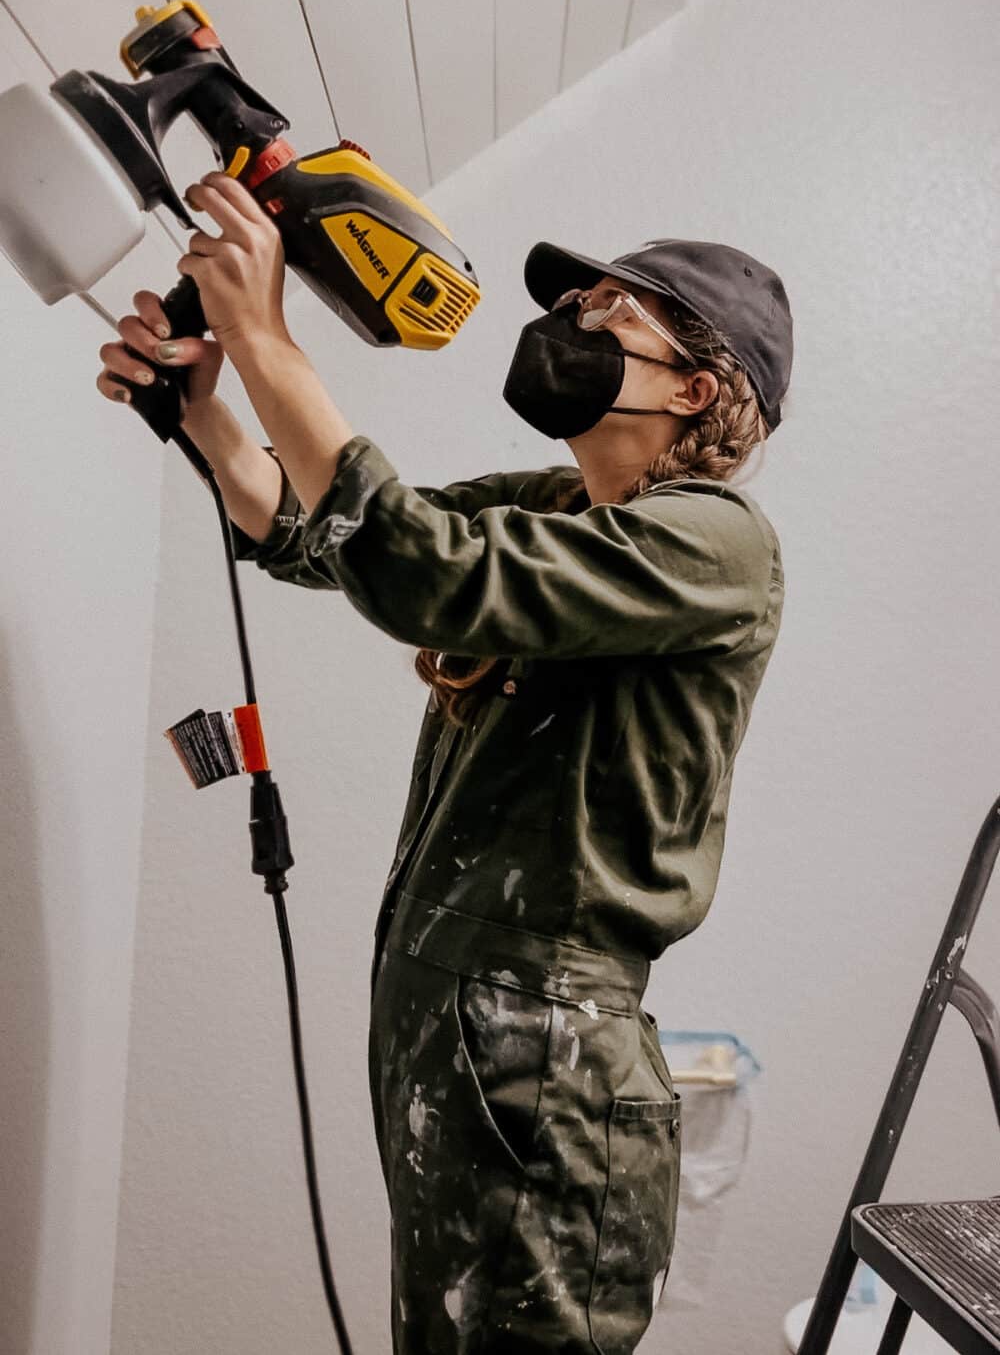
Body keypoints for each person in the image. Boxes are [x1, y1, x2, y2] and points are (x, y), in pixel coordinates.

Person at [96, 172, 793, 1354]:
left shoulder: (718, 543)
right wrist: (208, 406)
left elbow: (425, 568)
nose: (570, 325)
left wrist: (267, 334)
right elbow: (329, 534)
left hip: (549, 1063)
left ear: (698, 387)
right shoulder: (559, 507)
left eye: (611, 315)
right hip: (456, 1032)